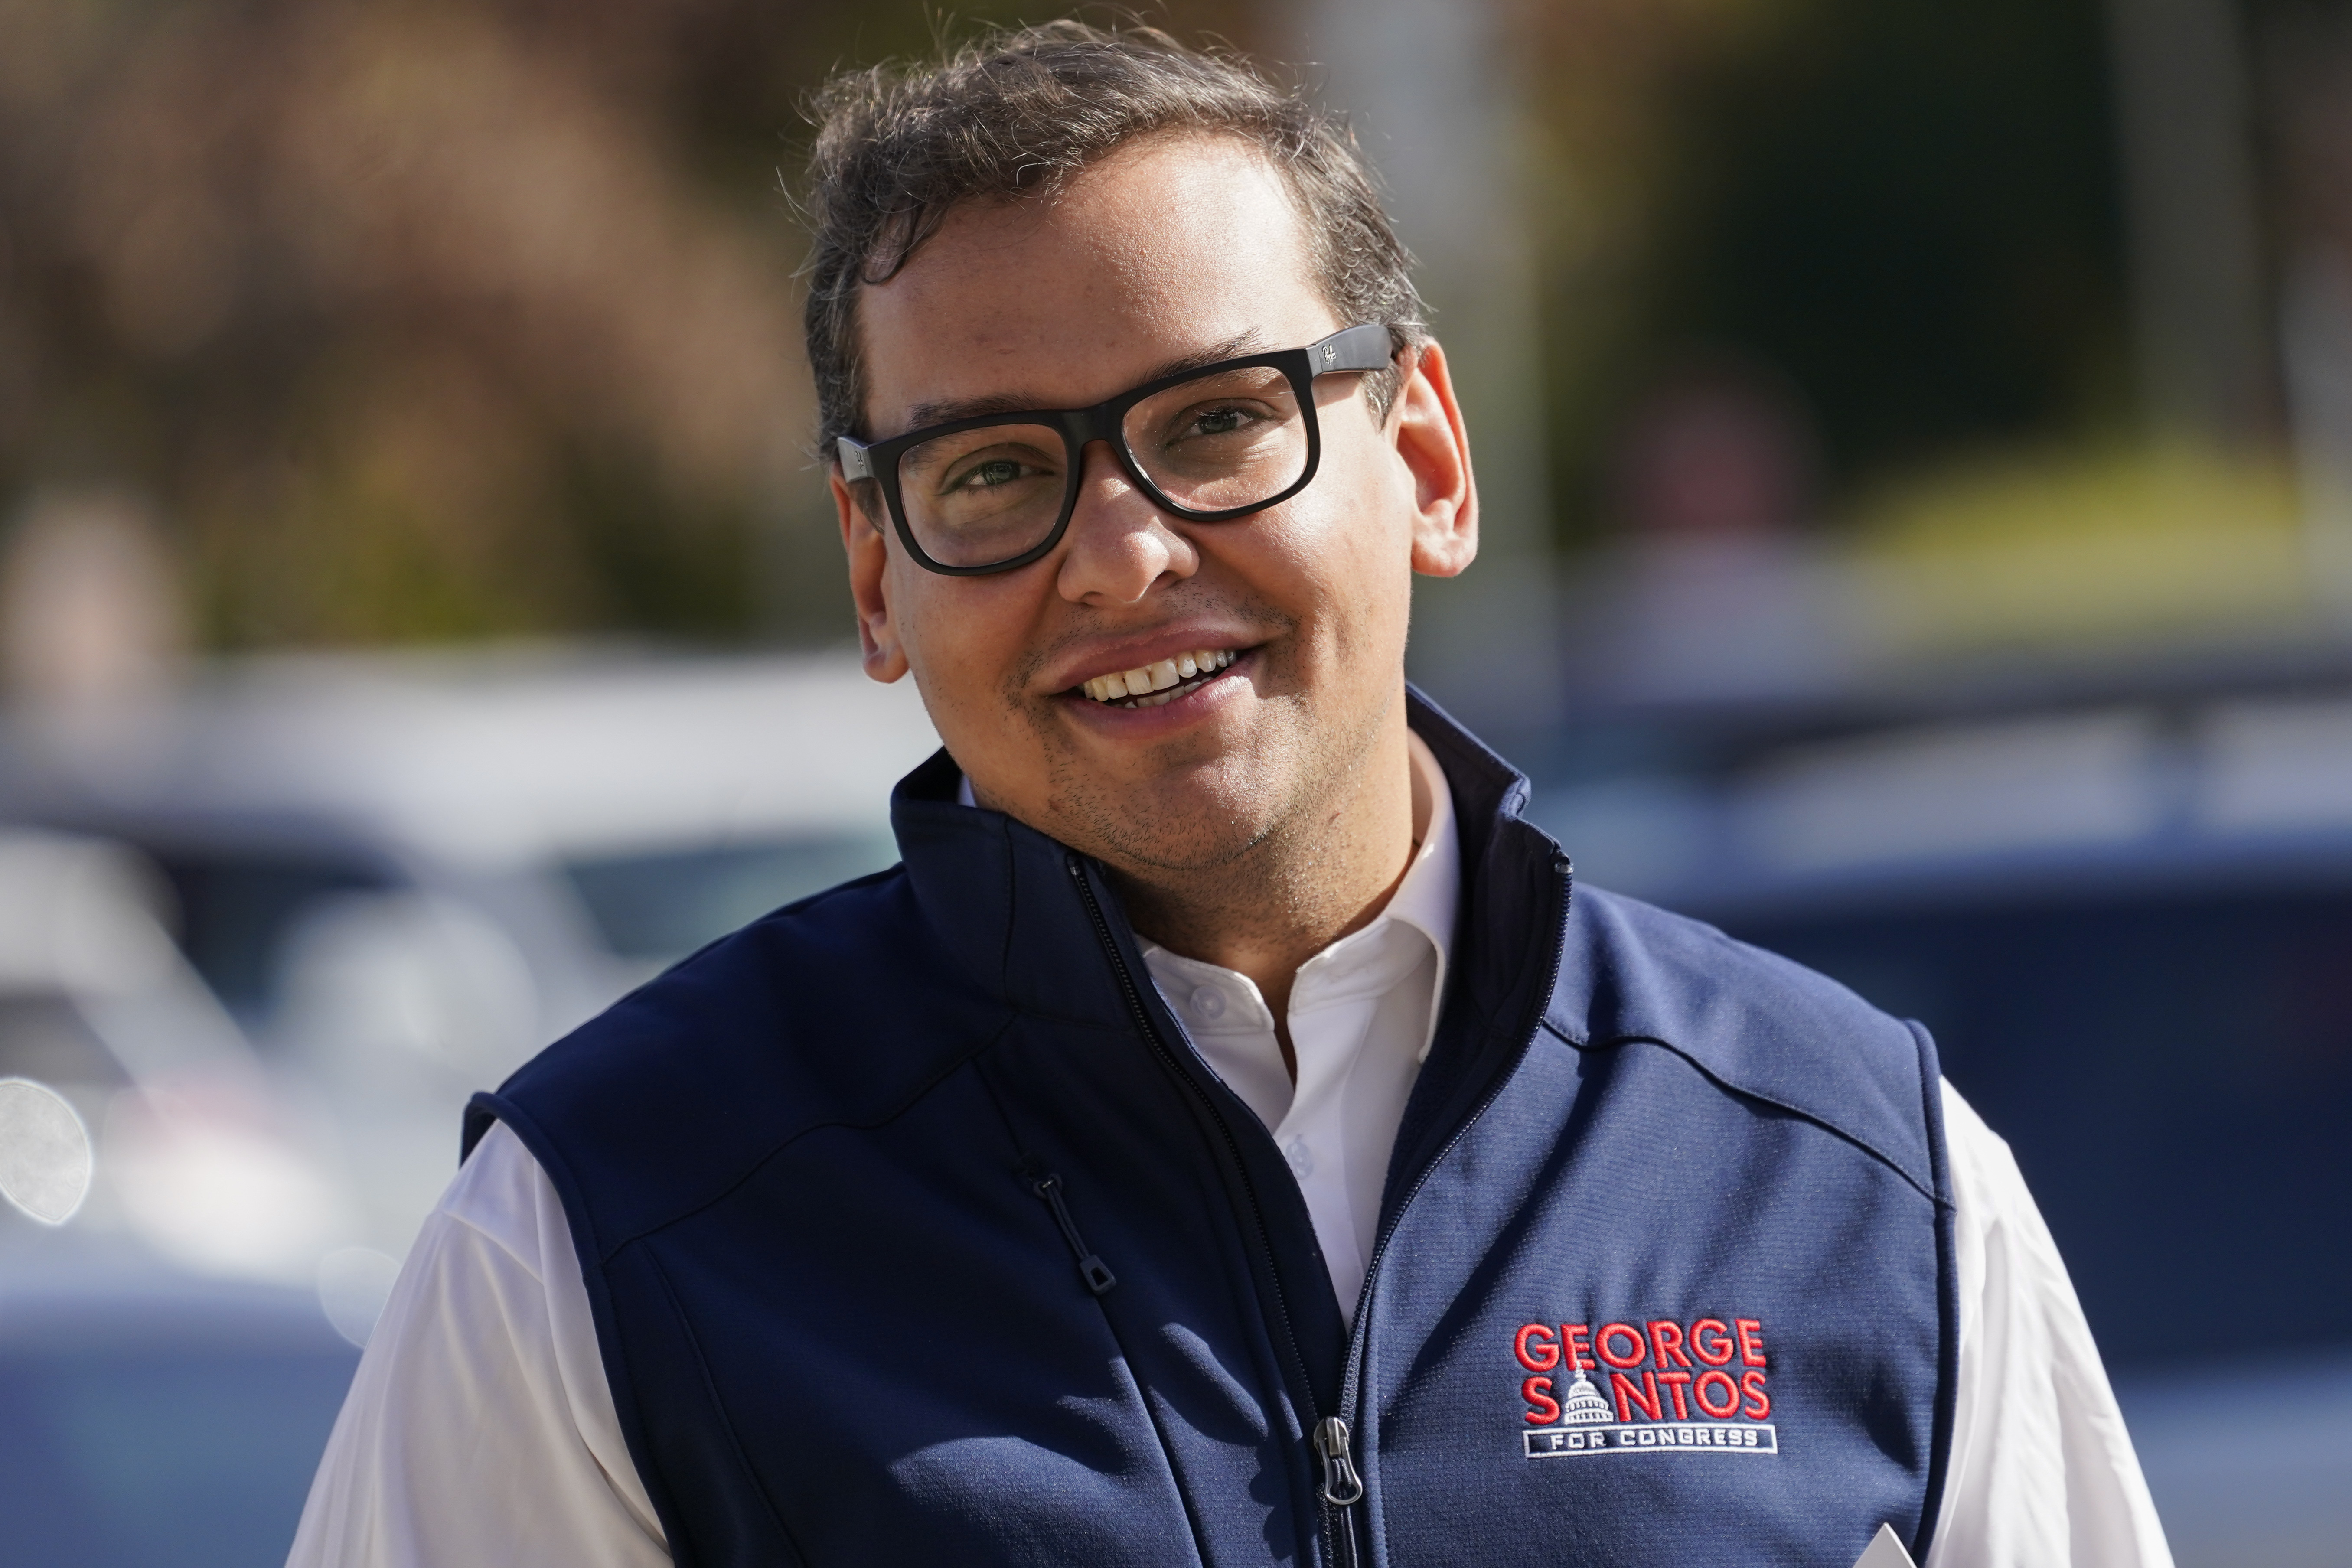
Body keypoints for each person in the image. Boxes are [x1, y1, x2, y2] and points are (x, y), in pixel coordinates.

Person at [289, 23, 2172, 1568]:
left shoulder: (1864, 1177)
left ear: (1424, 455)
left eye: (1215, 422)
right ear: (876, 572)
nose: (1118, 553)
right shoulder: (605, 1230)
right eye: (993, 472)